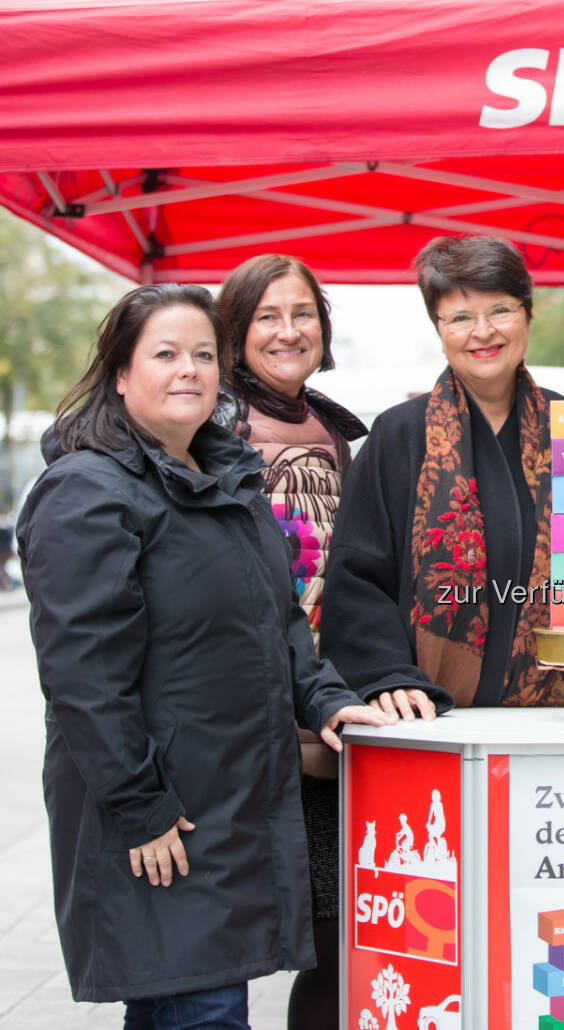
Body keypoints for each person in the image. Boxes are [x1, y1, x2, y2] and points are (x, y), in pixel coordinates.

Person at [16, 283, 389, 1028]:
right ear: (121, 373)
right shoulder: (87, 492)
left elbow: (278, 624)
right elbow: (83, 678)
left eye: (201, 355)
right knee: (202, 1006)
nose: (188, 370)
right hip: (164, 816)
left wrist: (325, 699)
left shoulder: (228, 484)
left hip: (229, 805)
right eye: (164, 354)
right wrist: (140, 809)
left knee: (195, 1002)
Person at [322, 235, 564, 711]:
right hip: (429, 718)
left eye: (501, 310)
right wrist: (386, 676)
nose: (483, 331)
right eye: (460, 317)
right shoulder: (400, 435)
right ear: (439, 330)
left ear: (527, 314)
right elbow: (357, 577)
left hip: (562, 718)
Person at [216, 253, 368, 1030]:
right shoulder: (209, 427)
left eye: (302, 313)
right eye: (266, 316)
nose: (287, 331)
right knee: (228, 942)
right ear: (234, 330)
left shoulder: (336, 429)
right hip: (247, 715)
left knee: (337, 935)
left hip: (327, 702)